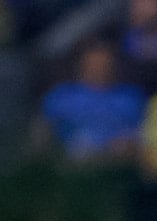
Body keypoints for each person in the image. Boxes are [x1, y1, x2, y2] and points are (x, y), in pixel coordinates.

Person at [38, 38, 147, 166]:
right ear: (81, 65)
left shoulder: (131, 97)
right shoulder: (61, 96)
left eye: (105, 63)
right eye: (94, 63)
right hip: (71, 163)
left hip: (118, 162)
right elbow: (42, 132)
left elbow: (144, 133)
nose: (100, 68)